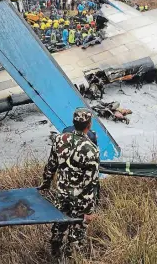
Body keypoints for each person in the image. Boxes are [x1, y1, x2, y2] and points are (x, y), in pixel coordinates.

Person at [38, 108, 99, 259]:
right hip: (80, 199)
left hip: (61, 194)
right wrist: (89, 210)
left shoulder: (59, 140)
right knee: (76, 235)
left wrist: (45, 184)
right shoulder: (91, 150)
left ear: (73, 123)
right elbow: (91, 183)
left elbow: (50, 166)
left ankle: (54, 255)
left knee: (59, 226)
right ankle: (71, 258)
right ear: (89, 125)